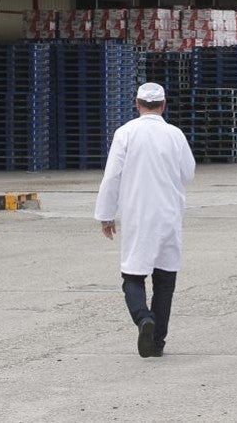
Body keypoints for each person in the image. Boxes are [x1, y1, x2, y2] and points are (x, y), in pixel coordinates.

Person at [94, 82, 196, 358]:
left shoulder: (125, 133)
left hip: (138, 215)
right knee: (165, 280)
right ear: (163, 105)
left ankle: (143, 318)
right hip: (168, 215)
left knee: (133, 275)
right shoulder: (174, 134)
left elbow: (112, 175)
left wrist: (106, 214)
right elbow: (188, 173)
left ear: (137, 104)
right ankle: (157, 343)